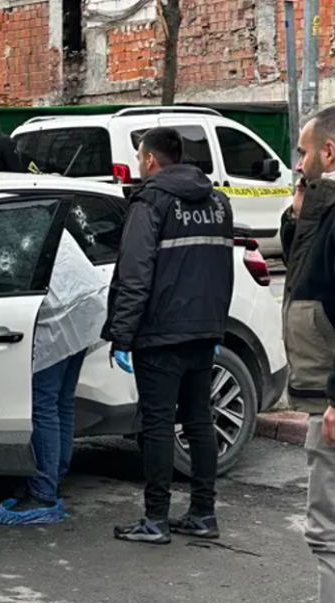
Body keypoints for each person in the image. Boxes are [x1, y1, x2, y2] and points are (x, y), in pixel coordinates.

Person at [102, 127, 234, 545]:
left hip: (159, 334)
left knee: (157, 424)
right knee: (199, 420)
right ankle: (203, 513)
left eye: (140, 157)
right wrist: (216, 324)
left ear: (151, 160)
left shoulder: (151, 202)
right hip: (203, 330)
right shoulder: (217, 202)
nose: (140, 163)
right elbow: (222, 269)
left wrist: (122, 335)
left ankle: (156, 520)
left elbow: (134, 274)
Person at [280, 106, 335, 603]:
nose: (299, 164)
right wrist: (301, 213)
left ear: (328, 153)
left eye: (304, 153)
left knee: (334, 531)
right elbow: (307, 272)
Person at [0, 229, 107, 525]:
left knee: (44, 403)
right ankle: (52, 478)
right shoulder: (13, 210)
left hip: (58, 311)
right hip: (85, 303)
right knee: (60, 401)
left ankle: (43, 491)